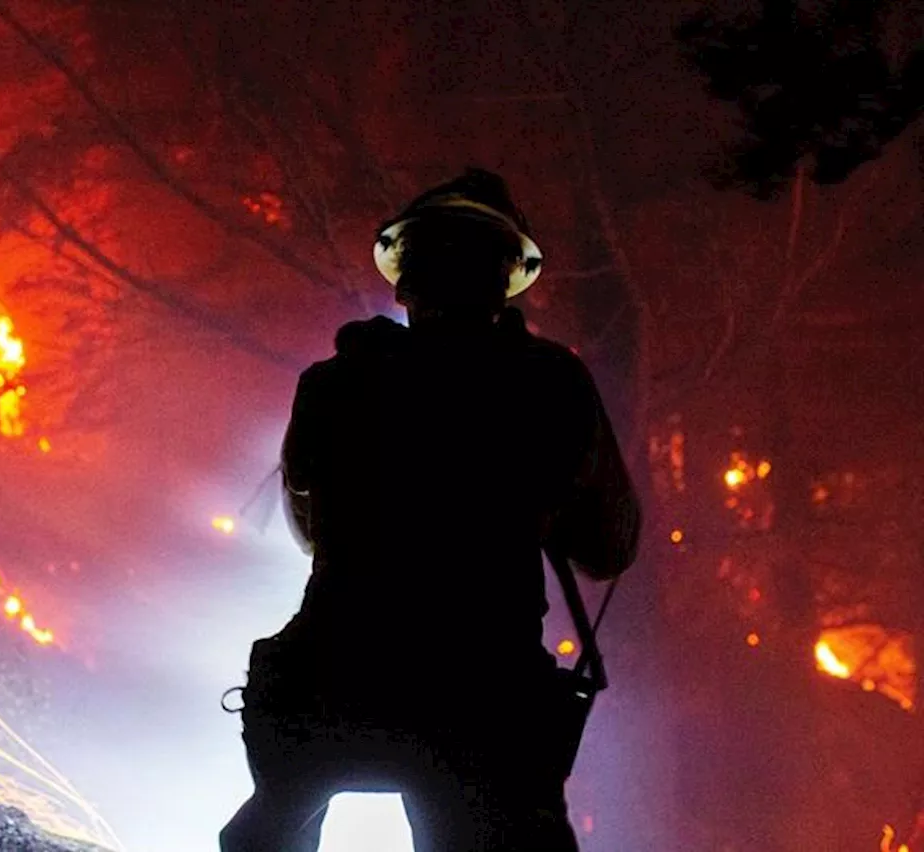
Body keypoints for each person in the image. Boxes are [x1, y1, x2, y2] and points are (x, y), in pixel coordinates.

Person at [220, 168, 642, 852]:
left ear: (404, 280)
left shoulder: (332, 384)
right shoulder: (551, 385)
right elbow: (608, 548)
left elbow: (312, 534)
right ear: (505, 280)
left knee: (273, 826)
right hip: (482, 697)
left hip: (331, 683)